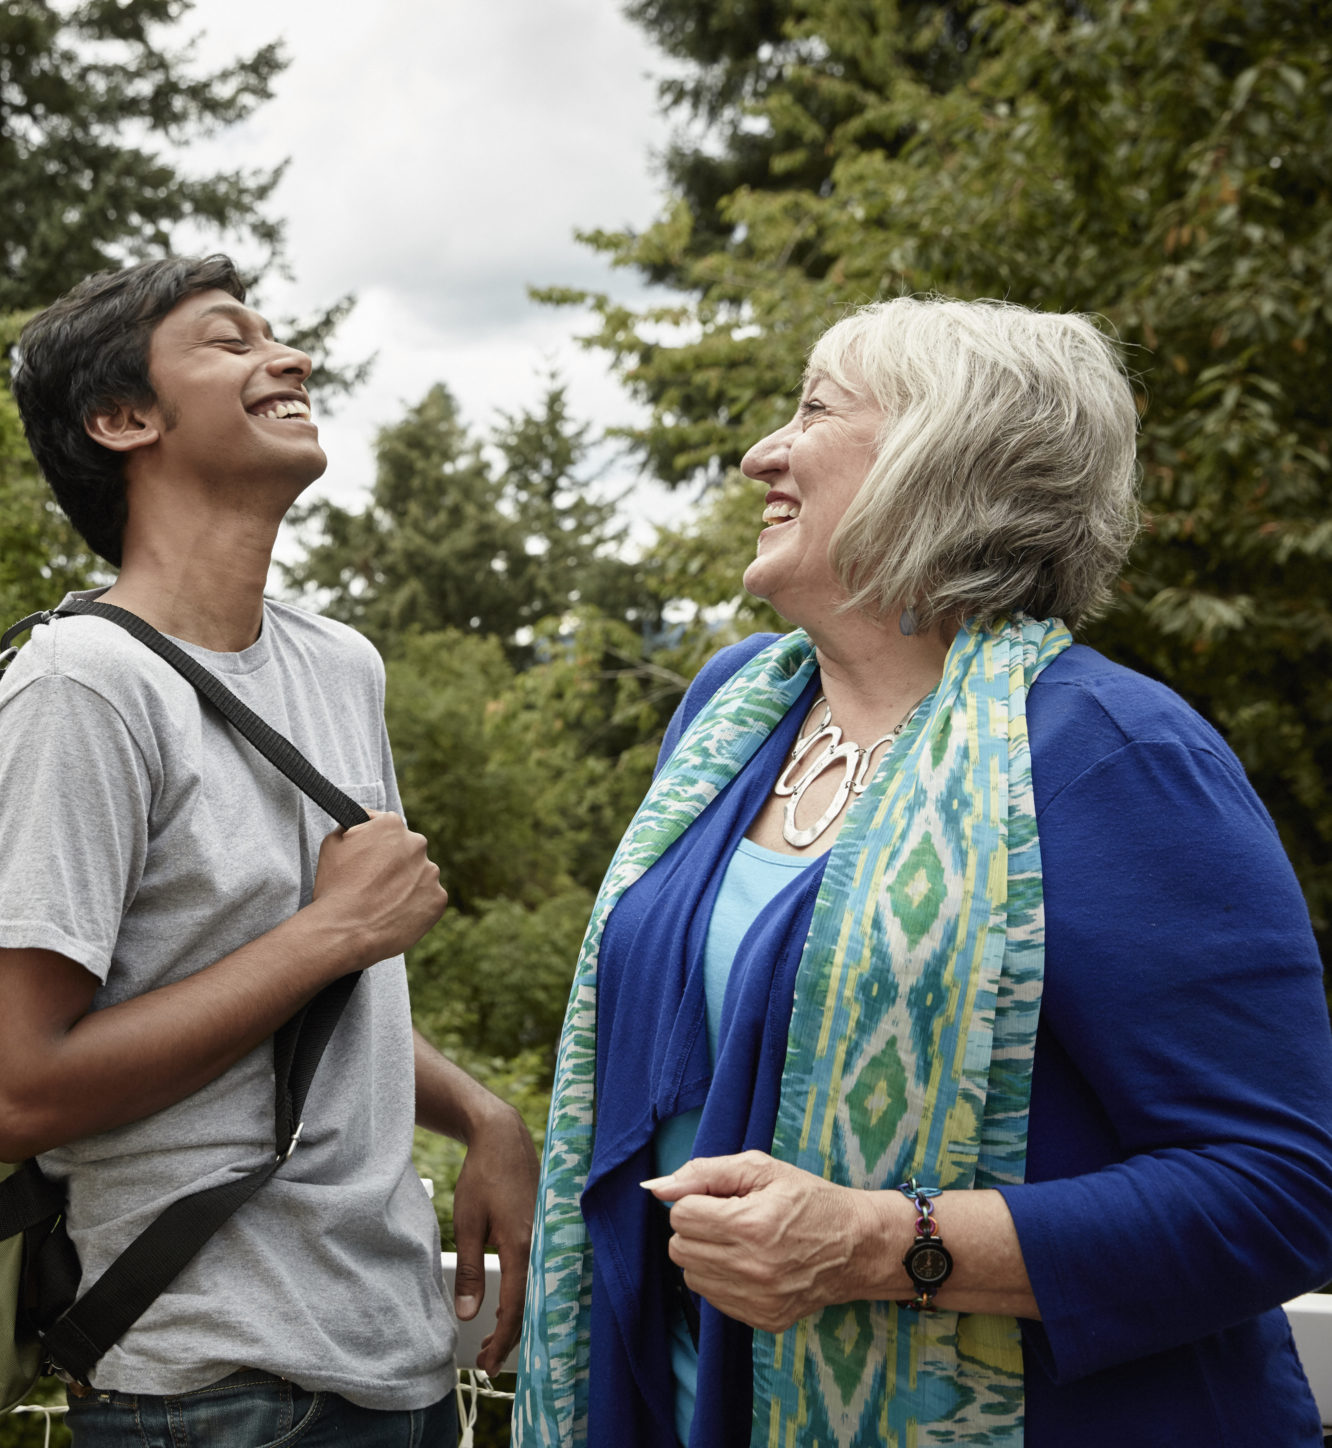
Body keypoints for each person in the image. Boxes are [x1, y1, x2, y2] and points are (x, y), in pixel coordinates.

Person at [512, 296, 1332, 1446]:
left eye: (813, 408)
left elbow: (1279, 1189)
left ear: (938, 455)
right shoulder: (733, 713)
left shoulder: (1113, 753)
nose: (762, 453)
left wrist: (877, 1243)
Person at [0, 255, 540, 1448]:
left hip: (401, 1365)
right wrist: (330, 928)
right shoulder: (78, 690)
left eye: (277, 335)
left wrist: (482, 1113)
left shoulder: (340, 666)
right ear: (124, 420)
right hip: (210, 1386)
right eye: (229, 341)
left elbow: (317, 986)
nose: (290, 357)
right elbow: (16, 1086)